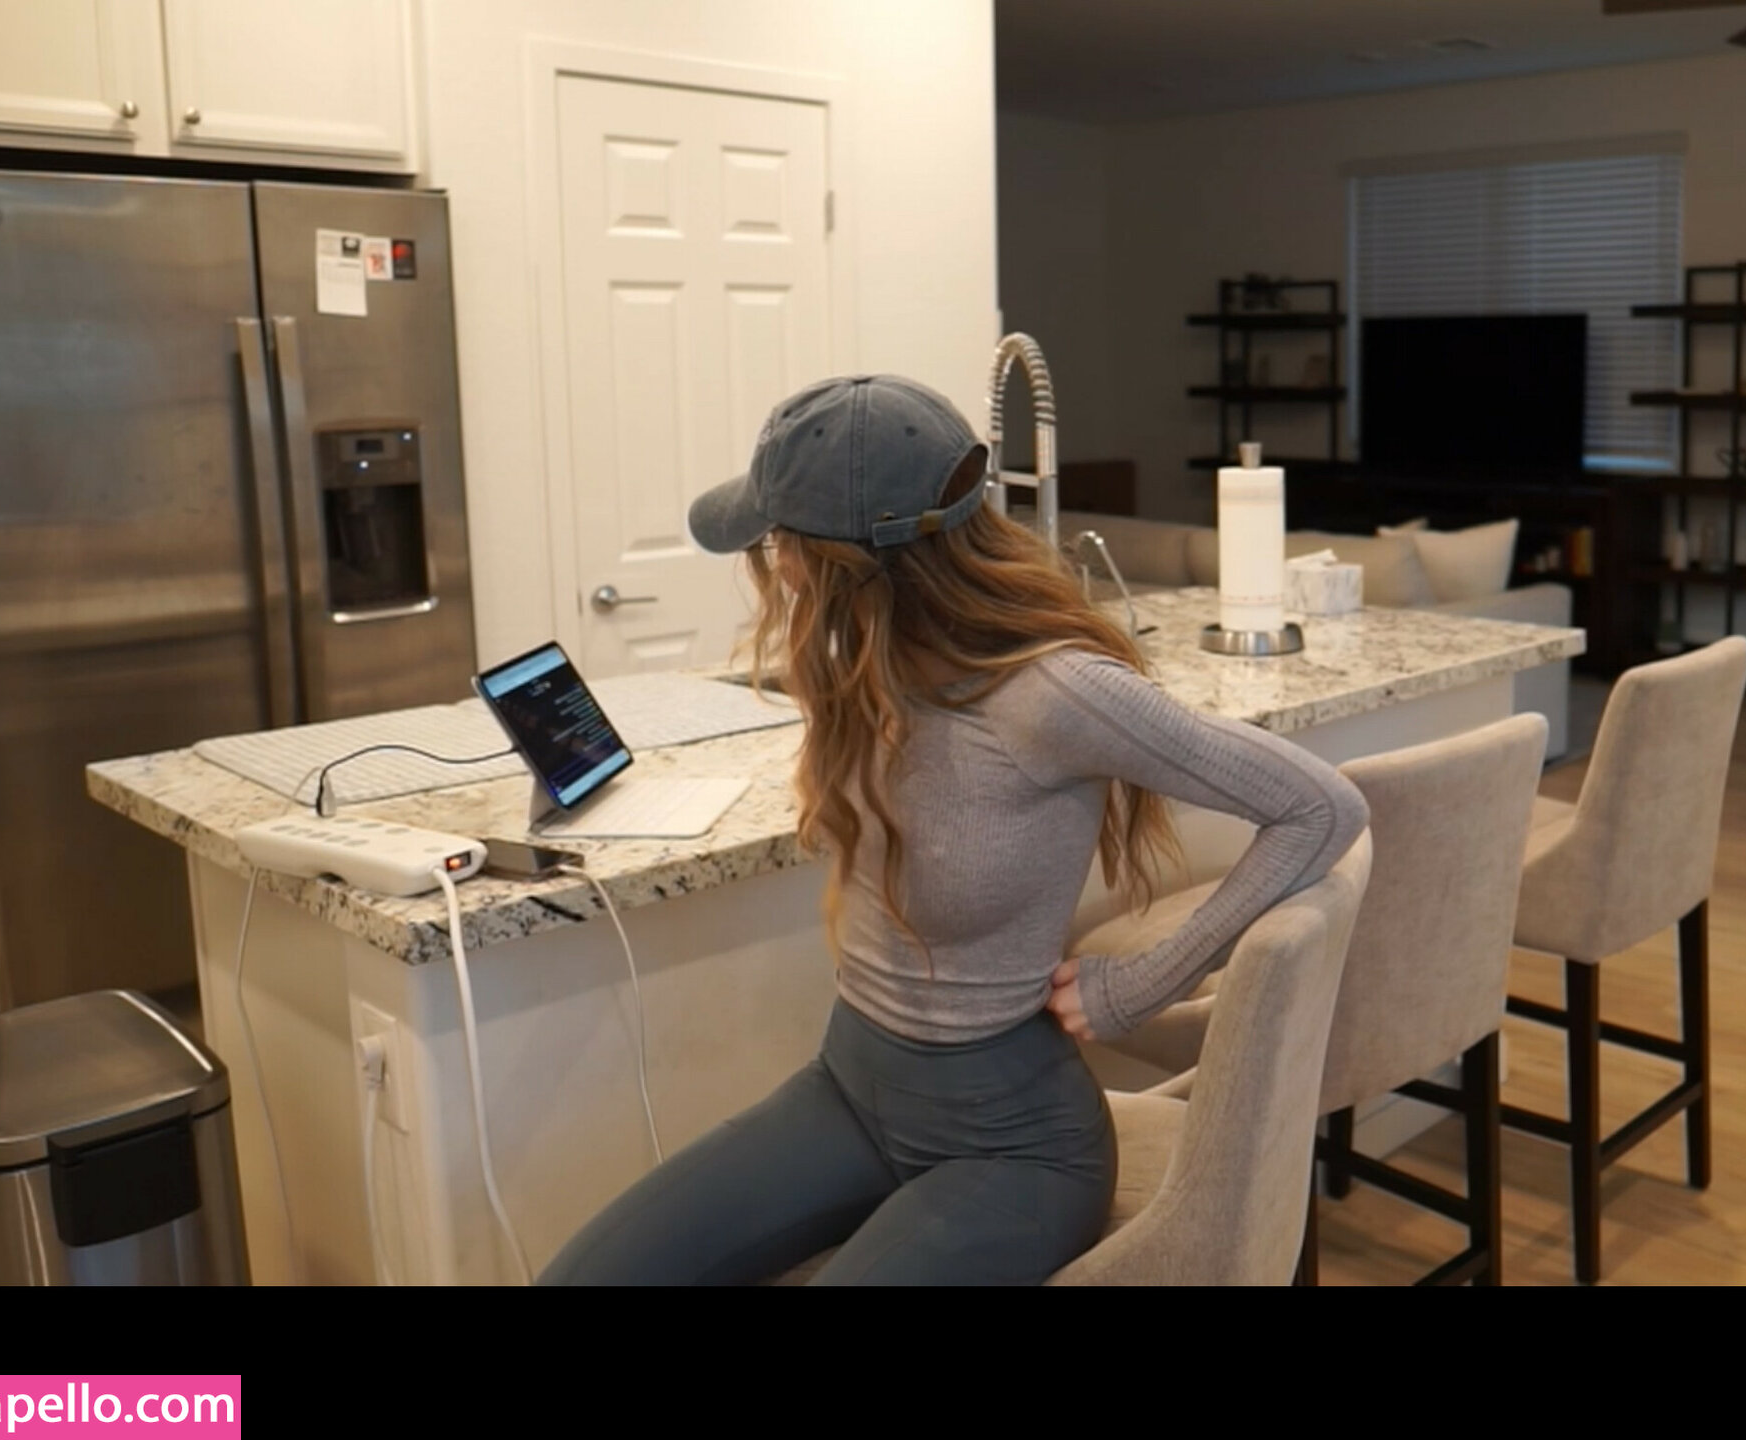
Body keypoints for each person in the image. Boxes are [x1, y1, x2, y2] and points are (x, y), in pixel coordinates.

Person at [539, 375, 1367, 1286]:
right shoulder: (869, 661)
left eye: (780, 542)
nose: (774, 567)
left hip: (1014, 1146)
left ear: (848, 564)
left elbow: (1321, 806)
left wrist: (1142, 984)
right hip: (848, 1089)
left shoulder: (1051, 694)